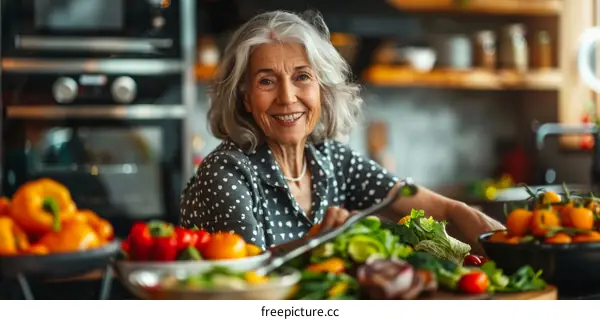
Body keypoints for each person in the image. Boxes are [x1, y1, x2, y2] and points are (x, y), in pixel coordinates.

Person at [179, 10, 505, 254]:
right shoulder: (227, 172)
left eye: (302, 77)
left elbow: (410, 199)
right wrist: (313, 242)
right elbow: (248, 280)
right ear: (245, 97)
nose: (287, 97)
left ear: (321, 88)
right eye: (267, 81)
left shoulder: (330, 159)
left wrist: (463, 212)